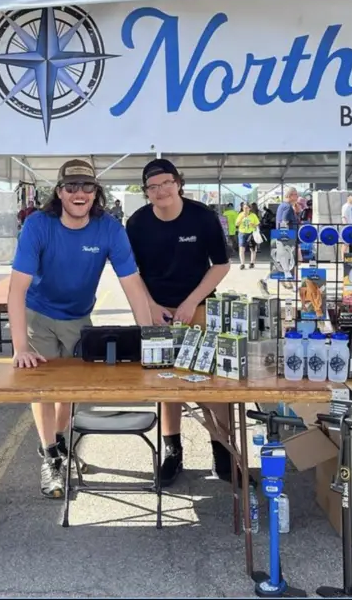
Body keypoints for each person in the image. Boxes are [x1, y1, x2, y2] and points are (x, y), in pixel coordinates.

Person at [7, 159, 153, 499]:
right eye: (71, 187)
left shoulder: (109, 229)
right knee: (42, 389)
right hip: (38, 314)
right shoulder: (38, 225)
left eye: (87, 187)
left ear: (96, 193)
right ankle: (49, 457)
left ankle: (57, 443)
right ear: (59, 193)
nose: (79, 193)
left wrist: (151, 337)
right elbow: (16, 289)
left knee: (71, 393)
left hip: (79, 317)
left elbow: (132, 284)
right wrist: (19, 347)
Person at [126, 159, 232, 486]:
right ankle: (172, 451)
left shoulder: (203, 217)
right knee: (166, 385)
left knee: (210, 384)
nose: (161, 191)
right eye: (153, 187)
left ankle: (224, 452)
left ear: (178, 183)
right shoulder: (137, 223)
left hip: (196, 307)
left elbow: (221, 265)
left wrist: (191, 302)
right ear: (146, 192)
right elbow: (132, 273)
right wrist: (151, 306)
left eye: (166, 183)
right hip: (156, 312)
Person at [237, 203, 260, 269]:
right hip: (242, 233)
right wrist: (242, 218)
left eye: (247, 208)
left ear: (250, 209)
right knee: (241, 248)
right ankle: (242, 264)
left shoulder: (253, 215)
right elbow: (237, 224)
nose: (245, 209)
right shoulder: (240, 215)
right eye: (244, 208)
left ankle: (252, 262)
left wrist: (253, 225)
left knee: (252, 249)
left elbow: (257, 224)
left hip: (251, 233)